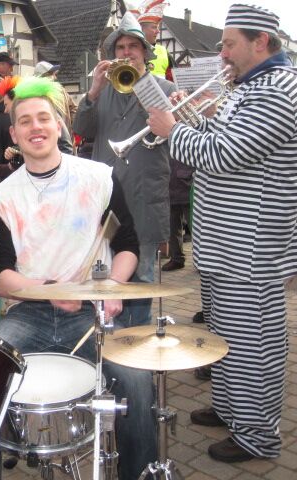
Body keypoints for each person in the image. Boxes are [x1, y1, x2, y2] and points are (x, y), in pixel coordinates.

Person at [147, 3, 296, 463]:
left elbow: (224, 155)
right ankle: (233, 410)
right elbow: (220, 138)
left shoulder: (277, 90)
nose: (222, 52)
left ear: (261, 42)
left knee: (253, 345)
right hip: (225, 244)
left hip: (250, 249)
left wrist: (173, 130)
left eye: (229, 44)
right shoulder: (249, 87)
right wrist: (193, 120)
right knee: (225, 337)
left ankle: (258, 436)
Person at [0, 77, 156, 480]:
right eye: (25, 121)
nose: (35, 127)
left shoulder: (98, 177)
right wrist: (48, 292)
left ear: (59, 125)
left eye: (43, 118)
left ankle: (141, 473)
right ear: (14, 135)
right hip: (29, 312)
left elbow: (128, 245)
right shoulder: (3, 196)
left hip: (90, 312)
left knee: (136, 381)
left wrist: (113, 287)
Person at [74, 11, 173, 327]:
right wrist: (93, 91)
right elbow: (81, 129)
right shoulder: (104, 90)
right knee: (105, 270)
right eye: (120, 47)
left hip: (144, 198)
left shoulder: (165, 89)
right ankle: (110, 336)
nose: (126, 52)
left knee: (141, 278)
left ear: (145, 52)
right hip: (106, 200)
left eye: (133, 46)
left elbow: (170, 136)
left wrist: (142, 84)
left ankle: (139, 337)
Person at [131, 0, 176, 80]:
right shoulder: (127, 51)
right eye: (154, 27)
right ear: (141, 29)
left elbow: (175, 80)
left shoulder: (164, 52)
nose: (158, 31)